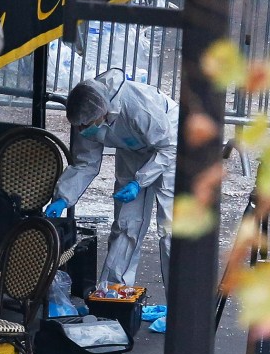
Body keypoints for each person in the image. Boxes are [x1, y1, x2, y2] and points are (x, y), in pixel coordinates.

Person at [45, 68, 177, 317]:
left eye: (86, 125)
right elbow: (85, 163)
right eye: (79, 126)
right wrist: (63, 196)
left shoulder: (138, 106)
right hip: (133, 150)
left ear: (103, 113)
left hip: (170, 145)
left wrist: (140, 181)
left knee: (170, 231)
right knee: (126, 225)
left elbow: (167, 148)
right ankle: (112, 299)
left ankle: (180, 313)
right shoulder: (86, 116)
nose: (83, 130)